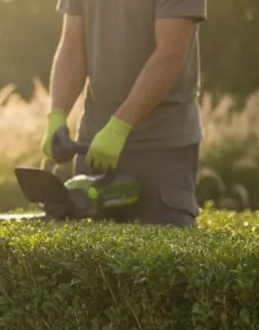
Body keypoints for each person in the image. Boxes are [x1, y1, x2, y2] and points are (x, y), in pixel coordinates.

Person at [42, 1, 208, 226]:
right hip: (93, 147)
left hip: (160, 150)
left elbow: (171, 54)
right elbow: (72, 45)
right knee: (88, 256)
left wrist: (119, 126)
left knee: (161, 254)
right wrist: (58, 115)